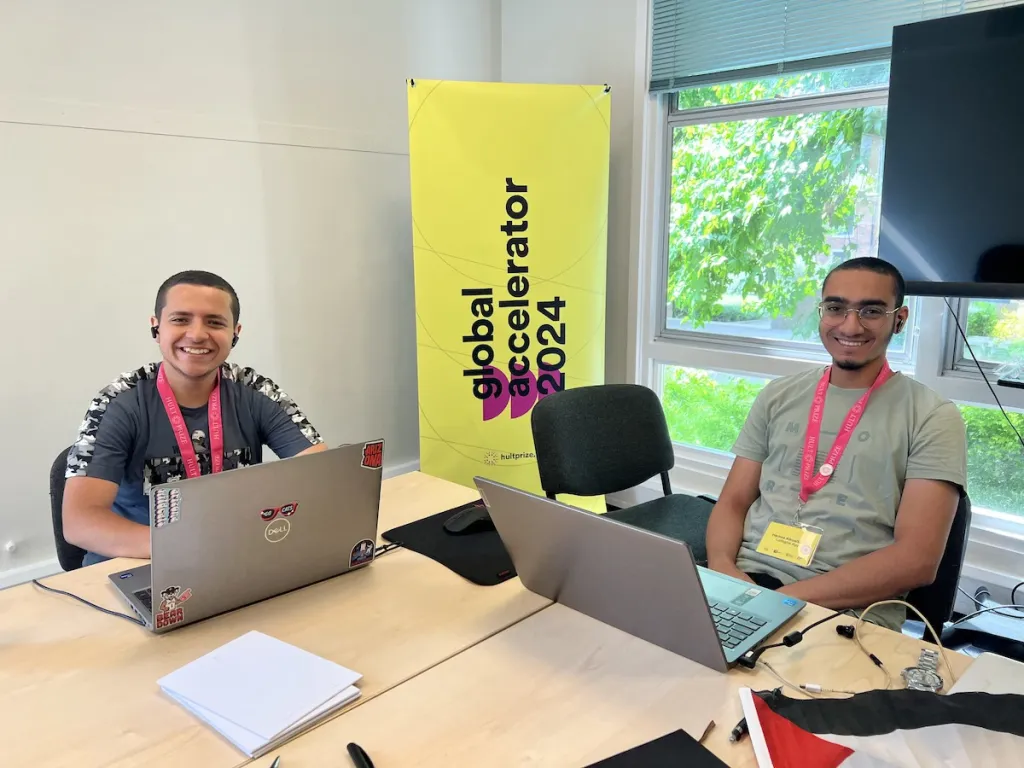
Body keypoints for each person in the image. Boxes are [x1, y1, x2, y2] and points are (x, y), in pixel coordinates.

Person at [705, 257, 967, 630]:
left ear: (900, 319)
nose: (850, 325)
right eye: (836, 307)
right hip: (745, 581)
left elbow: (917, 560)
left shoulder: (932, 416)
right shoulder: (779, 395)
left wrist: (781, 603)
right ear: (822, 311)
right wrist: (721, 570)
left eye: (871, 311)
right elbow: (733, 502)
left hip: (845, 607)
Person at [63, 270, 327, 566]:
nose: (198, 334)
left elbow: (323, 476)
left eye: (215, 322)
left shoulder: (256, 391)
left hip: (234, 558)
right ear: (156, 328)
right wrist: (186, 548)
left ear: (235, 333)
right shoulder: (118, 401)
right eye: (180, 319)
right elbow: (79, 521)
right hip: (138, 563)